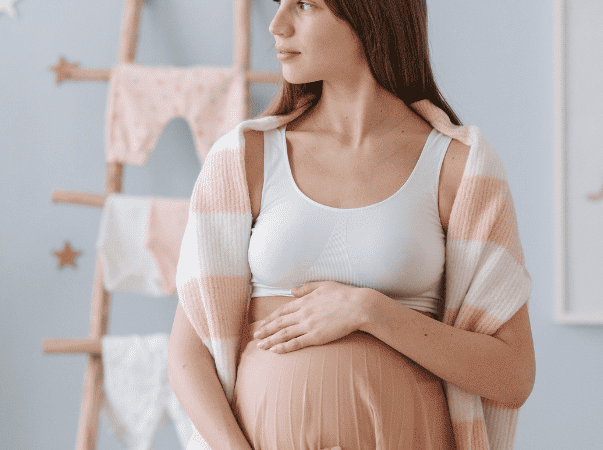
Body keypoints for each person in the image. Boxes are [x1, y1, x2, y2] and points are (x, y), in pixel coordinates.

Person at [168, 0, 535, 449]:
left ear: (371, 13)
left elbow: (513, 375)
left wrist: (370, 311)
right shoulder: (245, 158)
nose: (277, 24)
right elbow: (189, 352)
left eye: (303, 5)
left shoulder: (460, 165)